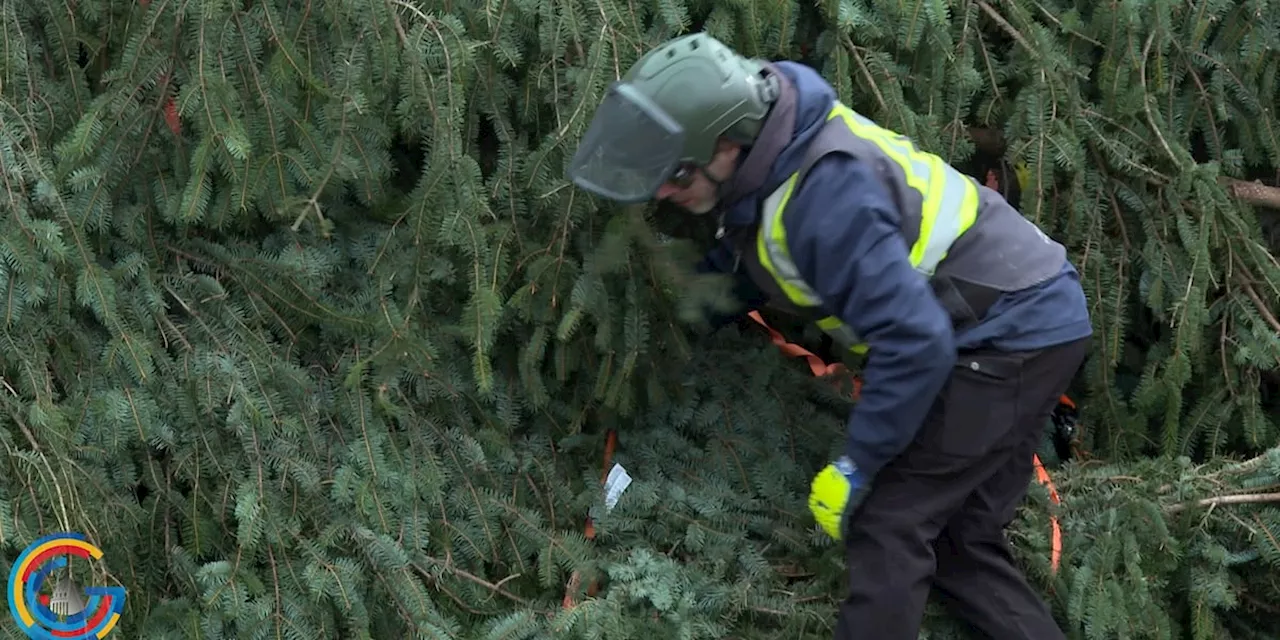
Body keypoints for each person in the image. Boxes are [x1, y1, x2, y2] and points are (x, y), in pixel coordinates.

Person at [565, 32, 1093, 640]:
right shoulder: (772, 146)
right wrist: (680, 319)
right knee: (960, 541)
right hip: (1029, 312)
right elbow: (755, 257)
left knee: (890, 523)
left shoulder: (826, 196)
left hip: (1007, 334)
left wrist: (857, 463)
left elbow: (917, 342)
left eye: (678, 173)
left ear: (729, 143)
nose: (665, 192)